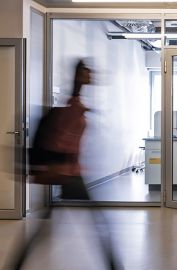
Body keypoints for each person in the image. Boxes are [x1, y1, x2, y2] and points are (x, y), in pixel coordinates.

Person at [11, 60, 120, 270]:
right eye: (86, 71)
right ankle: (114, 265)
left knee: (46, 227)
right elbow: (63, 140)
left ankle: (17, 263)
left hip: (70, 173)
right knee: (100, 224)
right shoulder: (73, 107)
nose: (91, 75)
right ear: (79, 75)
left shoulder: (76, 104)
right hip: (70, 175)